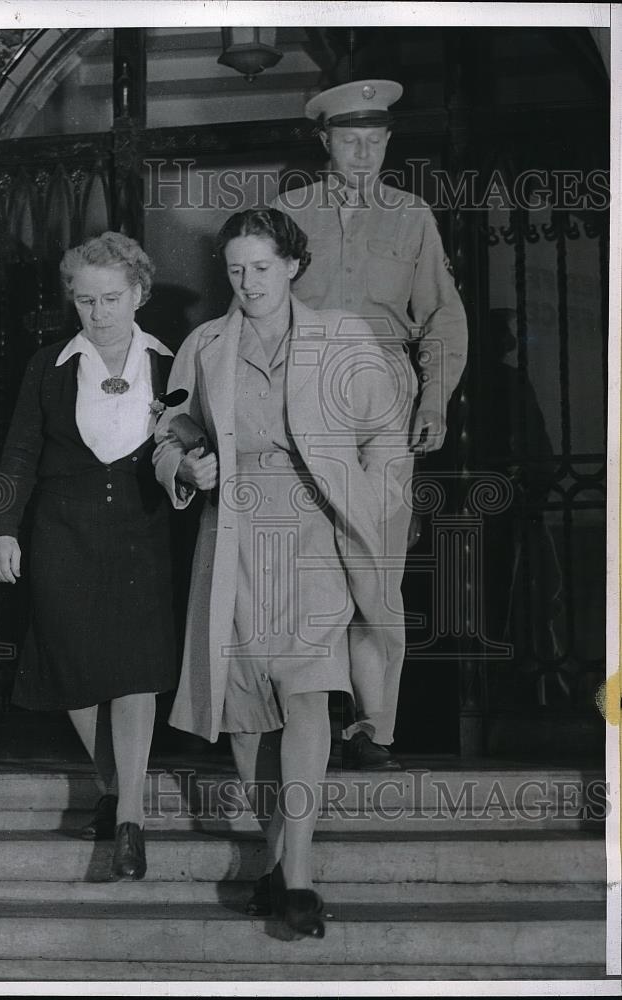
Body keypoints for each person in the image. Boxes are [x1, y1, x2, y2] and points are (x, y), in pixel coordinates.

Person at [154, 208, 413, 938]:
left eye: (262, 268)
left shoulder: (343, 336)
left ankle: (297, 875)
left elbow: (385, 435)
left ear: (293, 265)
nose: (248, 282)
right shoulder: (205, 346)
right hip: (233, 533)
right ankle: (275, 861)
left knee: (306, 696)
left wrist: (373, 506)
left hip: (315, 533)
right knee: (247, 714)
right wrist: (186, 465)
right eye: (235, 269)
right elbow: (167, 432)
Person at [271, 79, 468, 768]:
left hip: (383, 396)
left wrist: (435, 398)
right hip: (303, 394)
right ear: (323, 140)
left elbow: (442, 315)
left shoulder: (412, 217)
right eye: (349, 139)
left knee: (375, 573)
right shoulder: (286, 213)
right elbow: (256, 314)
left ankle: (372, 728)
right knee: (303, 563)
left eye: (376, 140)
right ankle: (303, 716)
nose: (363, 152)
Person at [0, 232, 177, 881]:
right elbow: (18, 454)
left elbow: (191, 440)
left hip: (139, 532)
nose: (98, 313)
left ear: (139, 293)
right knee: (72, 671)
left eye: (111, 298)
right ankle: (115, 788)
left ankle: (131, 821)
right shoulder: (48, 364)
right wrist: (4, 530)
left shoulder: (172, 363)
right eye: (85, 300)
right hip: (60, 531)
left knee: (132, 672)